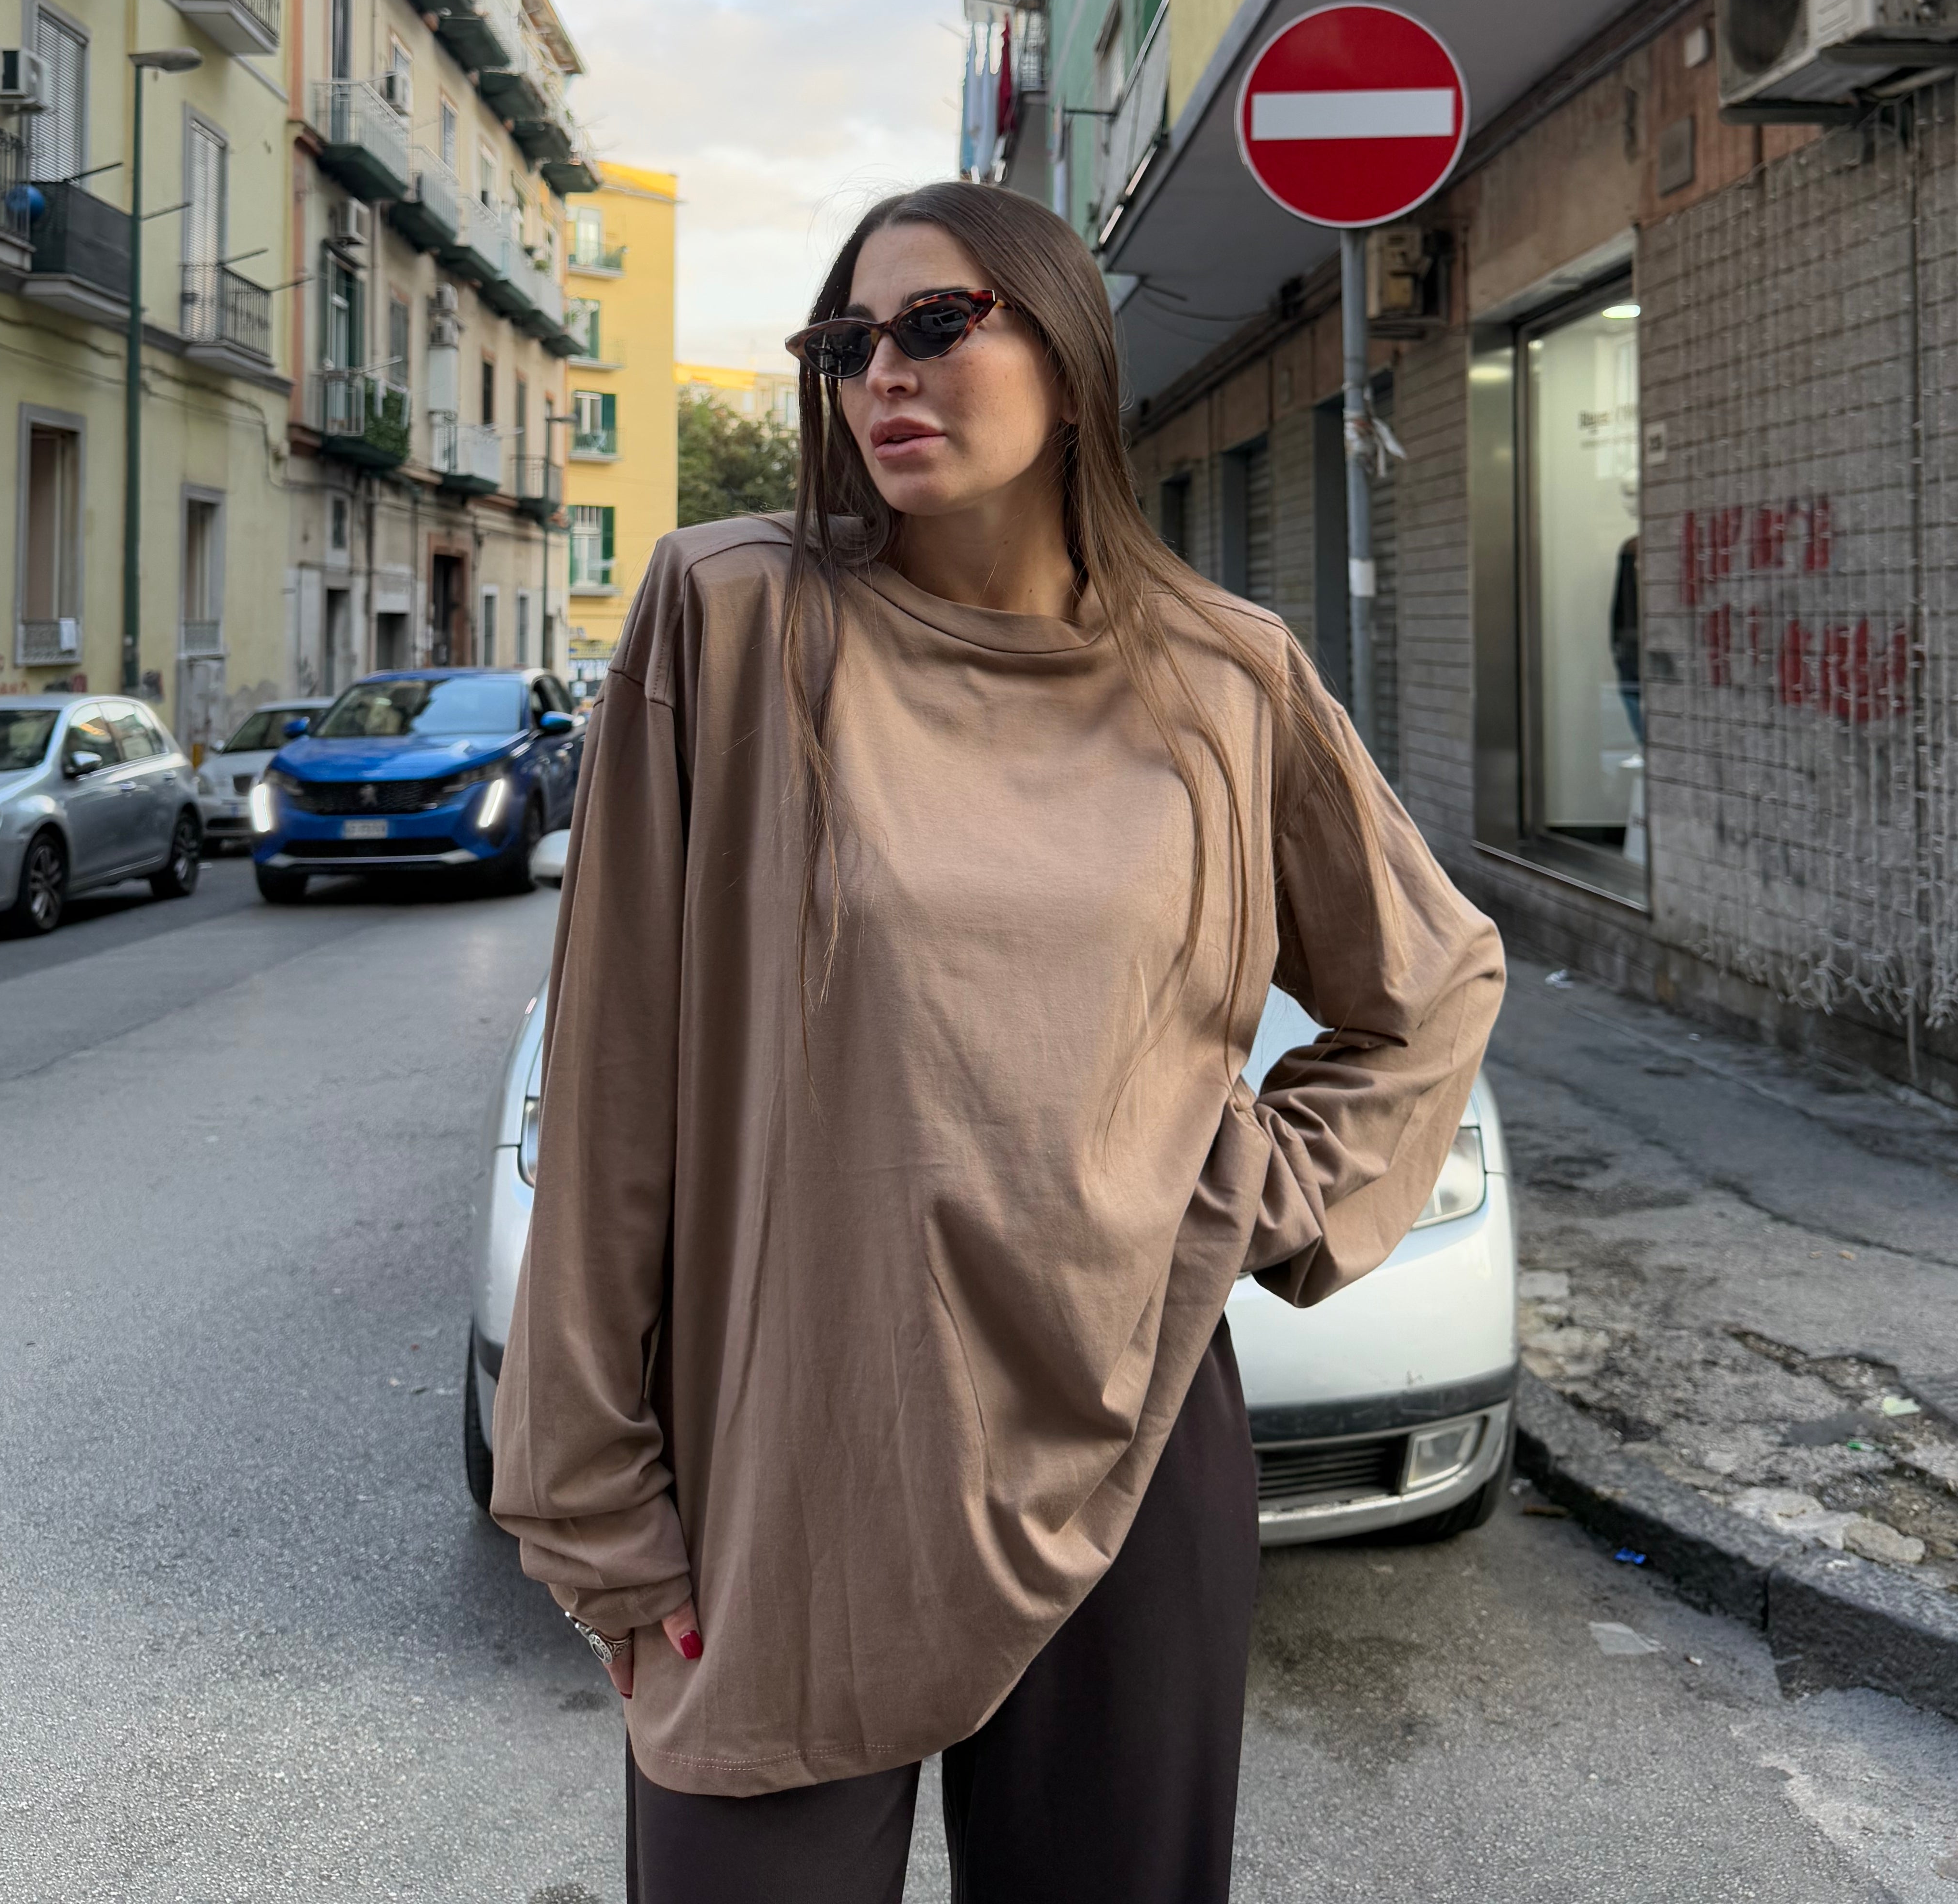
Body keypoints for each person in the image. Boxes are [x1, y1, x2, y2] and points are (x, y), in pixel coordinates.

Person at [492, 182, 1505, 1903]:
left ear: (1071, 356)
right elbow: (612, 1087)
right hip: (792, 1438)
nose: (883, 374)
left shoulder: (1225, 677)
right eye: (845, 343)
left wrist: (1244, 1187)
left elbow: (1430, 980)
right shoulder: (732, 619)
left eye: (938, 324)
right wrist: (595, 1503)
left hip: (1134, 1422)